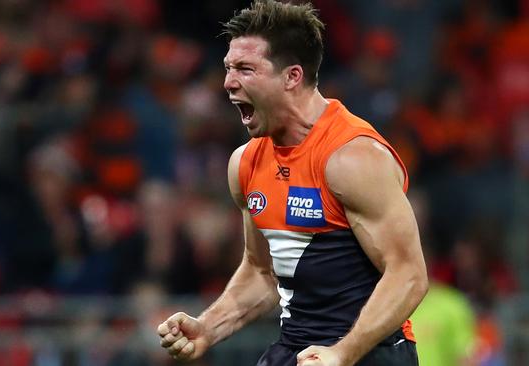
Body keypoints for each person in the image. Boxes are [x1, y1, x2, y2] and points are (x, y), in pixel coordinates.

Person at [157, 1, 428, 365]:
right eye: (228, 68)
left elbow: (408, 274)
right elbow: (261, 272)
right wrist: (207, 327)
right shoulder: (246, 163)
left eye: (245, 69)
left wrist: (343, 353)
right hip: (296, 350)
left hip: (370, 354)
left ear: (292, 77)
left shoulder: (351, 157)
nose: (228, 82)